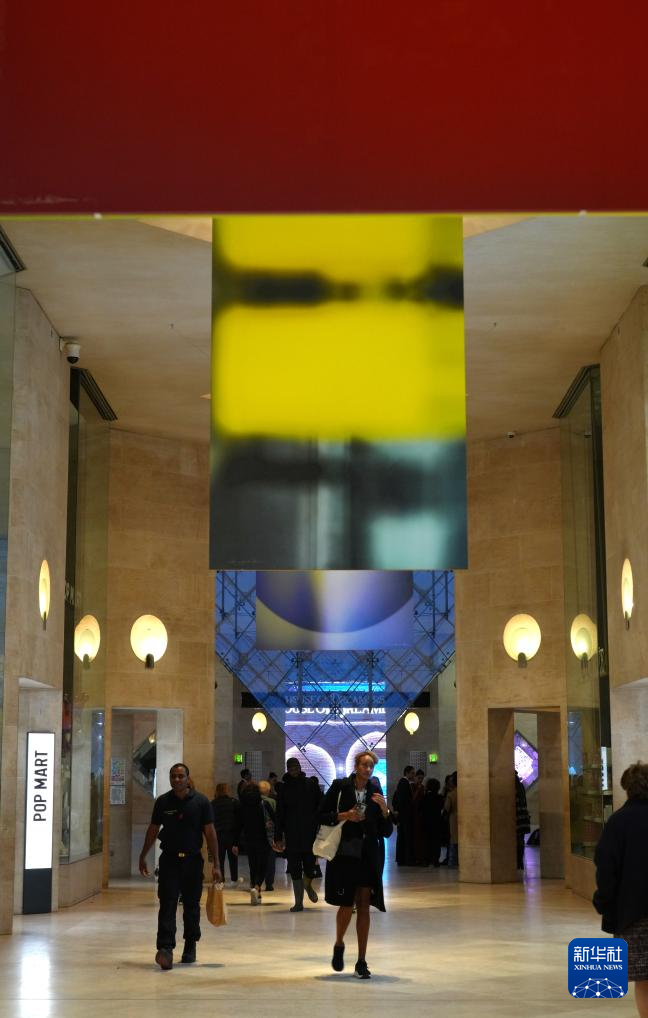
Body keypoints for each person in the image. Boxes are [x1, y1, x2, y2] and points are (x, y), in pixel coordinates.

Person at [139, 762, 221, 970]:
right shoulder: (163, 802)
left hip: (192, 861)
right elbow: (153, 829)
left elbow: (210, 833)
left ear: (187, 778)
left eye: (180, 776)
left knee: (192, 905)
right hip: (169, 861)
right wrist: (143, 855)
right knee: (167, 904)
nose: (176, 779)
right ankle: (165, 948)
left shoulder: (201, 802)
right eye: (173, 776)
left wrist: (217, 864)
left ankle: (190, 945)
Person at [318, 750, 393, 979]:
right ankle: (339, 943)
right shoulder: (341, 787)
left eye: (371, 766)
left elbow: (386, 831)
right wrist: (345, 815)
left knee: (364, 904)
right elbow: (321, 815)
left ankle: (362, 960)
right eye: (364, 765)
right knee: (346, 903)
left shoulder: (375, 791)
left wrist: (385, 810)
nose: (368, 769)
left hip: (368, 855)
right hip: (345, 854)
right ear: (356, 766)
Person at [594, 762, 648, 1017]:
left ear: (627, 788)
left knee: (645, 981)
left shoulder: (618, 822)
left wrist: (604, 902)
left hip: (633, 913)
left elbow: (607, 869)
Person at [274, 757, 322, 912]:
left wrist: (321, 827)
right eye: (291, 767)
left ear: (300, 767)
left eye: (296, 767)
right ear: (288, 769)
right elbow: (279, 814)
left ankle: (307, 885)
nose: (294, 770)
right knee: (294, 867)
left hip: (309, 833)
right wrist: (278, 837)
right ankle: (299, 902)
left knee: (310, 867)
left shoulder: (311, 785)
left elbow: (321, 807)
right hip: (292, 834)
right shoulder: (284, 788)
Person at [235, 780, 270, 905]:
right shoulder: (263, 803)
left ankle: (254, 888)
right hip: (263, 838)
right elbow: (273, 819)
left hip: (248, 839)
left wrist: (235, 843)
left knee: (253, 864)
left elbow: (238, 825)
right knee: (263, 864)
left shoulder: (241, 805)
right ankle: (257, 886)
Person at [211, 782, 239, 884]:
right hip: (231, 834)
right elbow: (238, 819)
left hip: (218, 834)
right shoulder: (234, 802)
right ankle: (234, 879)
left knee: (220, 858)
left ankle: (221, 879)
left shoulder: (212, 803)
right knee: (233, 858)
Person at [392, 765, 415, 865]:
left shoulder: (403, 783)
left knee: (402, 837)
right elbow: (403, 801)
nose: (414, 775)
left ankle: (402, 859)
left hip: (403, 815)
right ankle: (405, 859)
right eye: (412, 773)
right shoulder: (404, 783)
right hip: (405, 815)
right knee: (405, 837)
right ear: (407, 773)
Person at [422, 777, 445, 866]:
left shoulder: (425, 797)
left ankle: (426, 860)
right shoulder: (439, 798)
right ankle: (435, 860)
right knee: (436, 841)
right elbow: (441, 807)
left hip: (426, 821)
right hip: (437, 822)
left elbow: (421, 809)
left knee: (427, 841)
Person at [259, 779, 277, 891]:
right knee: (270, 859)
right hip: (270, 833)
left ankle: (256, 882)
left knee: (258, 858)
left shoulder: (255, 801)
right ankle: (269, 883)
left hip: (258, 833)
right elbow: (276, 817)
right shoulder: (272, 801)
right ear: (268, 790)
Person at [515, 772, 531, 871]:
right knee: (521, 840)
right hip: (523, 817)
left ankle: (518, 862)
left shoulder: (513, 788)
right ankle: (520, 861)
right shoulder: (520, 787)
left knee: (517, 840)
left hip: (517, 817)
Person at [444, 771, 458, 868]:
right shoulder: (465, 792)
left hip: (453, 819)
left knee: (453, 840)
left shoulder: (451, 794)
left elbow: (447, 808)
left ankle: (452, 862)